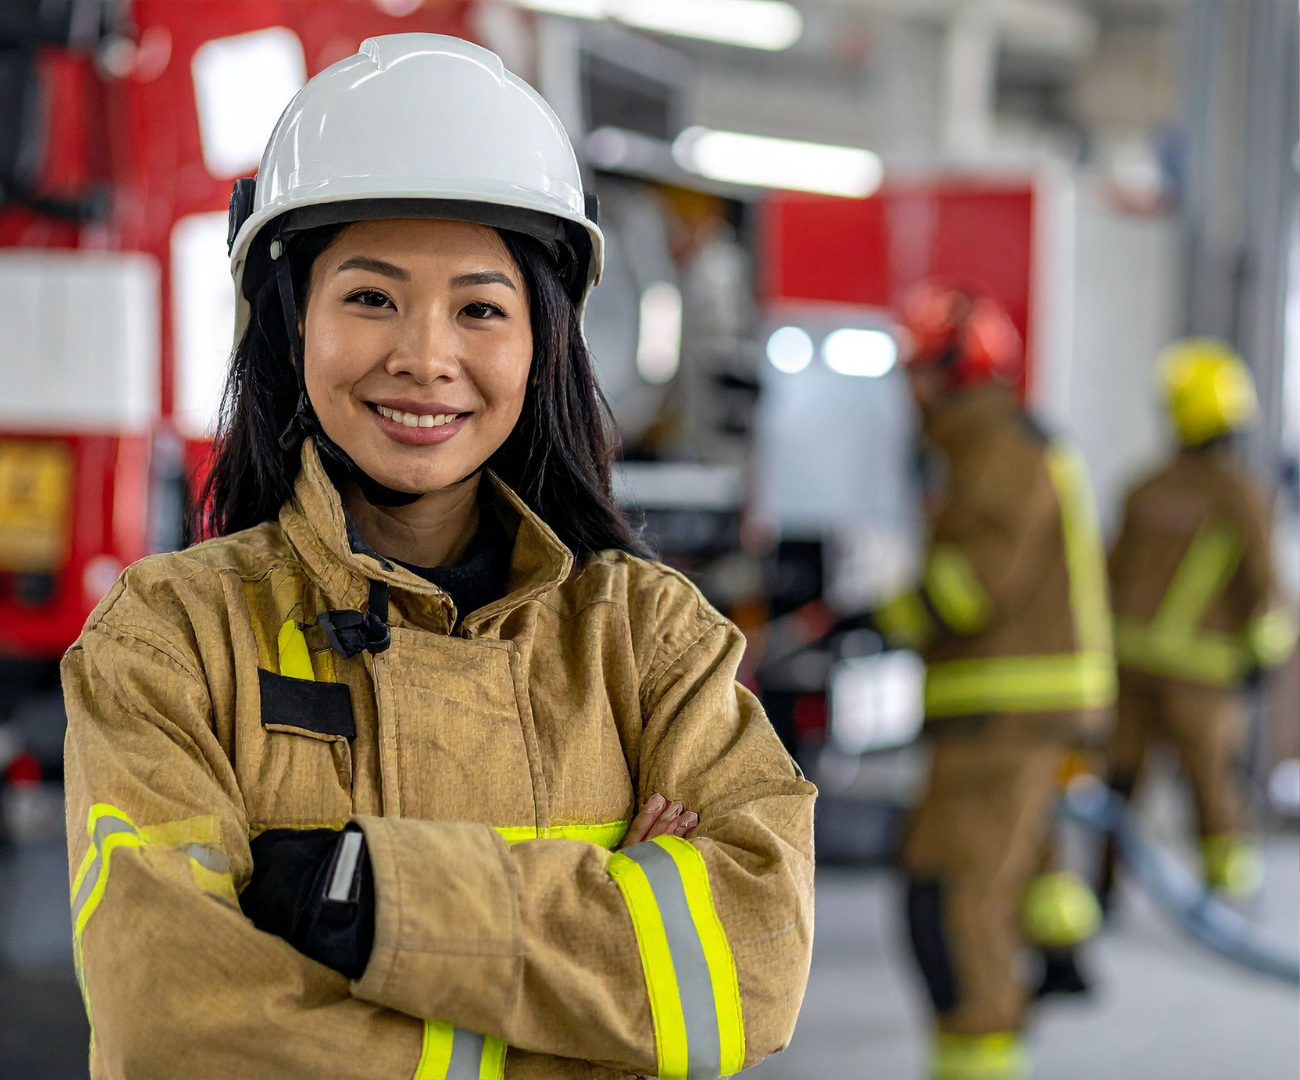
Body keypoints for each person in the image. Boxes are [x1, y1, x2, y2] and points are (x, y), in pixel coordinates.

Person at [62, 35, 815, 1080]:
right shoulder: (172, 641)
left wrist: (363, 900)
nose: (424, 355)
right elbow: (174, 1026)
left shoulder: (651, 643)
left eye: (479, 308)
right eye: (370, 297)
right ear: (291, 328)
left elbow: (754, 968)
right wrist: (601, 979)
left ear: (541, 341)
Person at [873, 283, 1114, 1080]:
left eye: (920, 369)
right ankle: (1061, 950)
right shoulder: (993, 440)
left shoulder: (995, 445)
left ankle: (980, 1056)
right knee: (1005, 879)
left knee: (950, 902)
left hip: (1004, 712)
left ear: (956, 368)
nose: (911, 389)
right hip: (1013, 711)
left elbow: (973, 586)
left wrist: (881, 616)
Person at [1104, 339, 1297, 903]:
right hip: (1204, 677)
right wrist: (1264, 659)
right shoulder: (1242, 494)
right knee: (1213, 786)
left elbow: (1108, 577)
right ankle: (1226, 896)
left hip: (1130, 668)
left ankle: (1102, 887)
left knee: (1119, 783)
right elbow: (1265, 588)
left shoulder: (1143, 488)